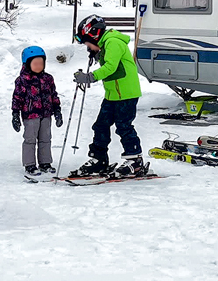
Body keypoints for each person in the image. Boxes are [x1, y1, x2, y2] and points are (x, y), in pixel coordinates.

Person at [72, 15, 147, 178]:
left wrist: (90, 77)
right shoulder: (104, 44)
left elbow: (111, 67)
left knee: (123, 126)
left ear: (94, 34)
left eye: (87, 42)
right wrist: (96, 53)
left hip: (127, 94)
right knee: (100, 125)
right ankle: (99, 159)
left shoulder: (113, 42)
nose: (87, 46)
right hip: (113, 94)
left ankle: (135, 160)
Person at [11, 45, 62, 176]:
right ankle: (30, 164)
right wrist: (15, 114)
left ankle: (45, 163)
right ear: (27, 64)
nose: (39, 66)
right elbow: (17, 98)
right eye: (35, 63)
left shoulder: (48, 79)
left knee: (46, 138)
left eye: (41, 63)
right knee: (30, 139)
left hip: (46, 114)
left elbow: (53, 95)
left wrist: (57, 111)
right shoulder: (22, 80)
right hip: (30, 115)